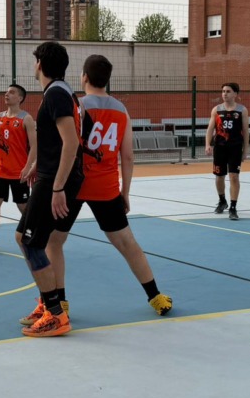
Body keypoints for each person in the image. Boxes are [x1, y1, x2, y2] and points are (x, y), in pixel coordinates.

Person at [19, 54, 173, 328]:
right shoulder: (121, 110)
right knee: (127, 244)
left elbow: (58, 140)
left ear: (85, 77)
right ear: (107, 80)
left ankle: (60, 303)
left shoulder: (76, 104)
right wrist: (125, 192)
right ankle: (156, 296)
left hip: (74, 185)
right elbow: (128, 156)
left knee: (54, 242)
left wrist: (39, 168)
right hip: (106, 186)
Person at [15, 42, 83, 337]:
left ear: (40, 63)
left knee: (32, 243)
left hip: (56, 180)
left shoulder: (56, 94)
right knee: (23, 237)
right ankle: (48, 303)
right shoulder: (62, 92)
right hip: (50, 174)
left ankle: (56, 314)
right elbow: (54, 140)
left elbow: (71, 142)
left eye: (35, 61)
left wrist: (57, 188)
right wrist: (36, 165)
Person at [0, 83, 35, 255]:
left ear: (20, 98)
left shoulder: (26, 119)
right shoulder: (0, 117)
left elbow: (35, 146)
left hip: (19, 171)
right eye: (6, 92)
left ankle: (34, 234)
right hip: (1, 169)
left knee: (23, 206)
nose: (6, 94)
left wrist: (28, 167)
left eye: (11, 92)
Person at [207, 82, 248, 221]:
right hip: (220, 147)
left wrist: (245, 150)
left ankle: (233, 207)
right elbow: (210, 129)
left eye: (228, 91)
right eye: (223, 91)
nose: (225, 94)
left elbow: (246, 131)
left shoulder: (242, 110)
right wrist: (208, 144)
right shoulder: (217, 110)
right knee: (219, 176)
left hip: (235, 147)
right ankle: (222, 200)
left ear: (235, 94)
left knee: (234, 176)